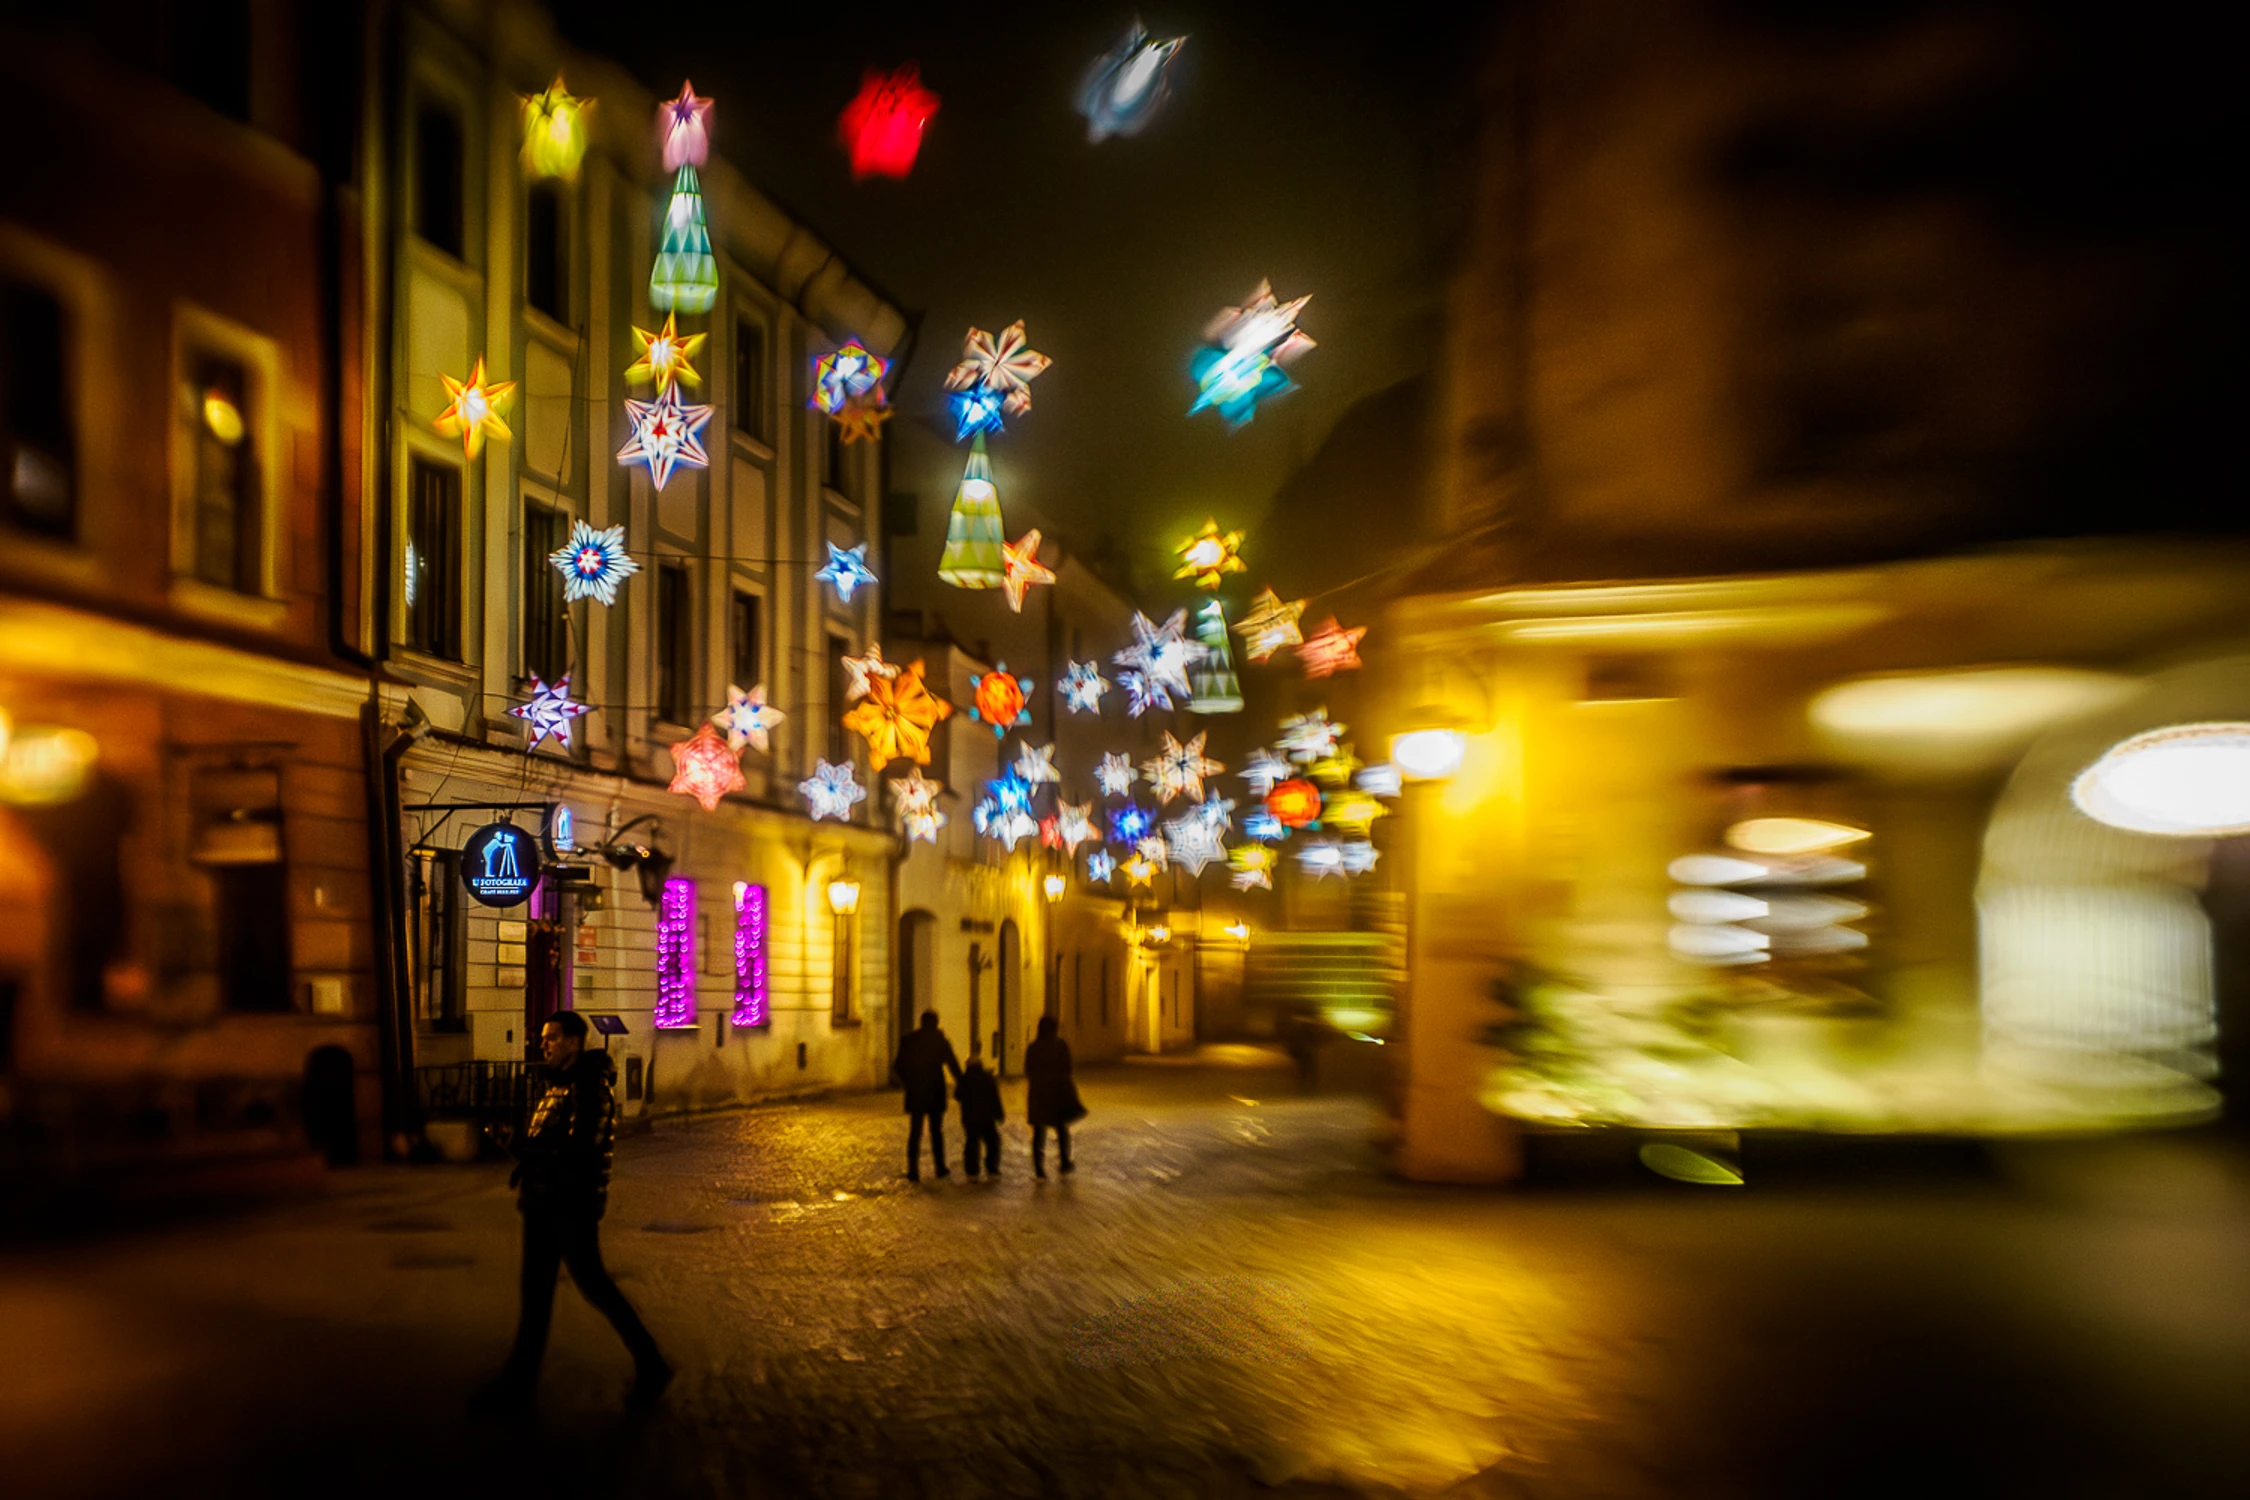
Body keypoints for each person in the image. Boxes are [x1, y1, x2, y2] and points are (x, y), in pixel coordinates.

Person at [471, 1010, 670, 1415]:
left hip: (570, 1205)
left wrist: (525, 1148)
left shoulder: (588, 1088)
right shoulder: (559, 1085)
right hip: (544, 1203)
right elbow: (548, 1144)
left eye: (552, 1037)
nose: (543, 1043)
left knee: (594, 1286)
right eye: (543, 1037)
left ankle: (652, 1363)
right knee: (536, 1295)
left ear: (575, 1042)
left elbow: (580, 1149)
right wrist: (517, 1144)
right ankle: (517, 1384)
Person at [892, 1009, 961, 1182]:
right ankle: (940, 1167)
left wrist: (907, 1082)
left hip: (916, 1091)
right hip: (935, 1091)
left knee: (915, 1131)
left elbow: (898, 1066)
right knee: (936, 1131)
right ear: (936, 1023)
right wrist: (965, 1082)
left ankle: (913, 1170)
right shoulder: (940, 1041)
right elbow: (953, 1065)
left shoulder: (909, 1040)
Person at [1024, 1014, 1083, 1179]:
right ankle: (1064, 1163)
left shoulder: (1033, 1048)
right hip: (1057, 1094)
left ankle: (1039, 1170)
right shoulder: (1060, 1046)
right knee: (1062, 1130)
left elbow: (1028, 1070)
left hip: (1038, 1095)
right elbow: (1068, 1068)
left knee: (1038, 1134)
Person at [955, 1043, 1004, 1179]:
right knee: (992, 1141)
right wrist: (999, 1114)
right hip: (987, 1118)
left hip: (969, 1117)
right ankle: (992, 1168)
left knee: (972, 1143)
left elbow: (957, 1095)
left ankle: (972, 1172)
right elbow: (995, 1098)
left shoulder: (964, 1079)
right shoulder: (988, 1078)